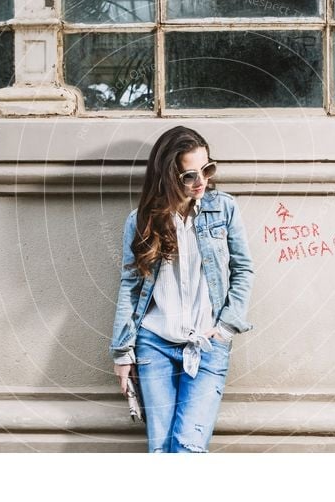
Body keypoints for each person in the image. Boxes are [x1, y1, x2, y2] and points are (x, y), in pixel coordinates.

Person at [110, 126, 254, 453]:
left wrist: (226, 327)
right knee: (161, 449)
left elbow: (244, 269)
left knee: (187, 447)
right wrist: (122, 351)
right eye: (189, 175)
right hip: (154, 346)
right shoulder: (140, 221)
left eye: (207, 169)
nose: (201, 181)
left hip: (207, 344)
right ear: (168, 176)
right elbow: (131, 286)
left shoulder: (224, 209)